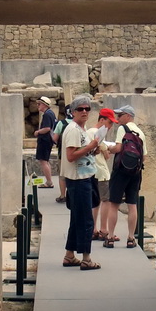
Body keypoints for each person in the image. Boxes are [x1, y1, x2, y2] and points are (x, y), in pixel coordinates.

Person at [61, 95, 101, 270]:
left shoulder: (81, 129)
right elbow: (71, 156)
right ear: (73, 112)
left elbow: (81, 152)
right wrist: (89, 146)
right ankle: (86, 258)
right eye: (80, 109)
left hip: (84, 177)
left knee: (77, 218)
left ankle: (70, 255)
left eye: (87, 109)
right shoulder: (74, 130)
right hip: (78, 180)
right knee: (86, 220)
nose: (84, 112)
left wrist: (92, 150)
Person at [104, 105, 147, 249]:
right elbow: (144, 156)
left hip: (121, 170)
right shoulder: (141, 132)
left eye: (120, 115)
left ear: (128, 116)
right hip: (135, 172)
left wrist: (108, 148)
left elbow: (118, 148)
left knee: (114, 204)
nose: (118, 118)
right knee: (132, 204)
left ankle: (110, 237)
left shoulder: (123, 129)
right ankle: (130, 238)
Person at [90, 107, 117, 240]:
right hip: (101, 172)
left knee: (95, 202)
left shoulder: (88, 131)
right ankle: (104, 229)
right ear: (102, 120)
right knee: (106, 200)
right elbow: (107, 154)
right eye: (109, 122)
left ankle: (93, 228)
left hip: (92, 171)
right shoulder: (97, 133)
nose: (111, 126)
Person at [32, 97, 56, 189]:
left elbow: (47, 128)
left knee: (43, 161)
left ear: (44, 105)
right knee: (45, 160)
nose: (38, 106)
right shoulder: (51, 113)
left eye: (39, 104)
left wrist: (38, 132)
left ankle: (49, 182)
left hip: (44, 140)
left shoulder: (47, 115)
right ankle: (49, 180)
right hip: (48, 140)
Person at [51, 105, 71, 203]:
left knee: (62, 175)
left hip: (62, 154)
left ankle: (63, 195)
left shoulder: (61, 123)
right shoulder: (79, 124)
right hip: (76, 153)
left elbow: (54, 138)